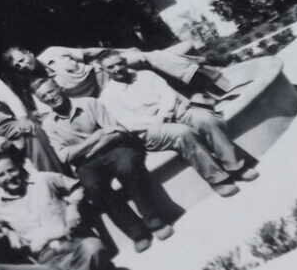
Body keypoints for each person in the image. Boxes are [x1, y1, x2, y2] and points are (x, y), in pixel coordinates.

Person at [32, 77, 173, 253]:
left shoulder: (89, 103)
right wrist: (95, 137)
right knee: (93, 187)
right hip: (88, 163)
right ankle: (137, 233)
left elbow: (114, 132)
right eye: (44, 97)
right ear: (41, 102)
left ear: (60, 88)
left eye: (51, 91)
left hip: (116, 149)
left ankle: (154, 220)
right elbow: (64, 156)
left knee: (128, 168)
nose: (51, 97)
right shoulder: (49, 124)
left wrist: (86, 148)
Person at [97, 51, 258, 198]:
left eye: (120, 63)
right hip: (149, 130)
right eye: (111, 67)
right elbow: (129, 122)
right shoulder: (108, 96)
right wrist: (158, 121)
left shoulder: (146, 76)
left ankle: (236, 166)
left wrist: (165, 113)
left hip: (173, 112)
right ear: (105, 71)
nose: (117, 68)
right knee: (182, 133)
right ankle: (217, 179)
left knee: (205, 120)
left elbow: (167, 95)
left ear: (125, 62)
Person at [3, 44, 239, 102]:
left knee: (147, 56)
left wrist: (124, 51)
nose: (22, 66)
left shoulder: (54, 52)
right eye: (17, 67)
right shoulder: (40, 85)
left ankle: (209, 84)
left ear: (29, 53)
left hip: (104, 69)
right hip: (103, 93)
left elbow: (90, 52)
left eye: (22, 60)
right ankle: (207, 68)